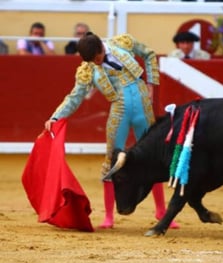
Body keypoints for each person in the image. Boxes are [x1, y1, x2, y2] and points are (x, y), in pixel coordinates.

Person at [44, 32, 179, 229]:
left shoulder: (122, 43)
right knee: (111, 161)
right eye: (92, 61)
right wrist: (56, 116)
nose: (96, 64)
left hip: (144, 108)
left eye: (97, 59)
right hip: (120, 113)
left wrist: (152, 84)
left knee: (154, 160)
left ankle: (161, 211)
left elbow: (149, 54)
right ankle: (109, 217)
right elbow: (74, 97)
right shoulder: (88, 68)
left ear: (101, 48)